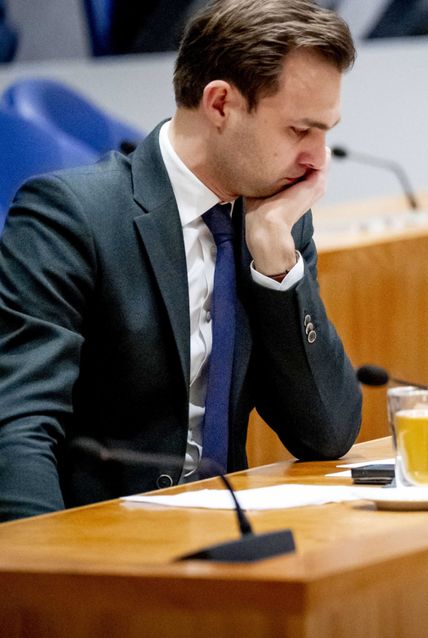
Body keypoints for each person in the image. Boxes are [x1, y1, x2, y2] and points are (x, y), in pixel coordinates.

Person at [0, 0, 363, 522]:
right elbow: (19, 426)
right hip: (101, 544)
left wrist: (277, 268)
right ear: (220, 105)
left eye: (327, 131)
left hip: (226, 533)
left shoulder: (276, 220)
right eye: (299, 130)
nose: (317, 159)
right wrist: (45, 580)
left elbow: (326, 433)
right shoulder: (72, 216)